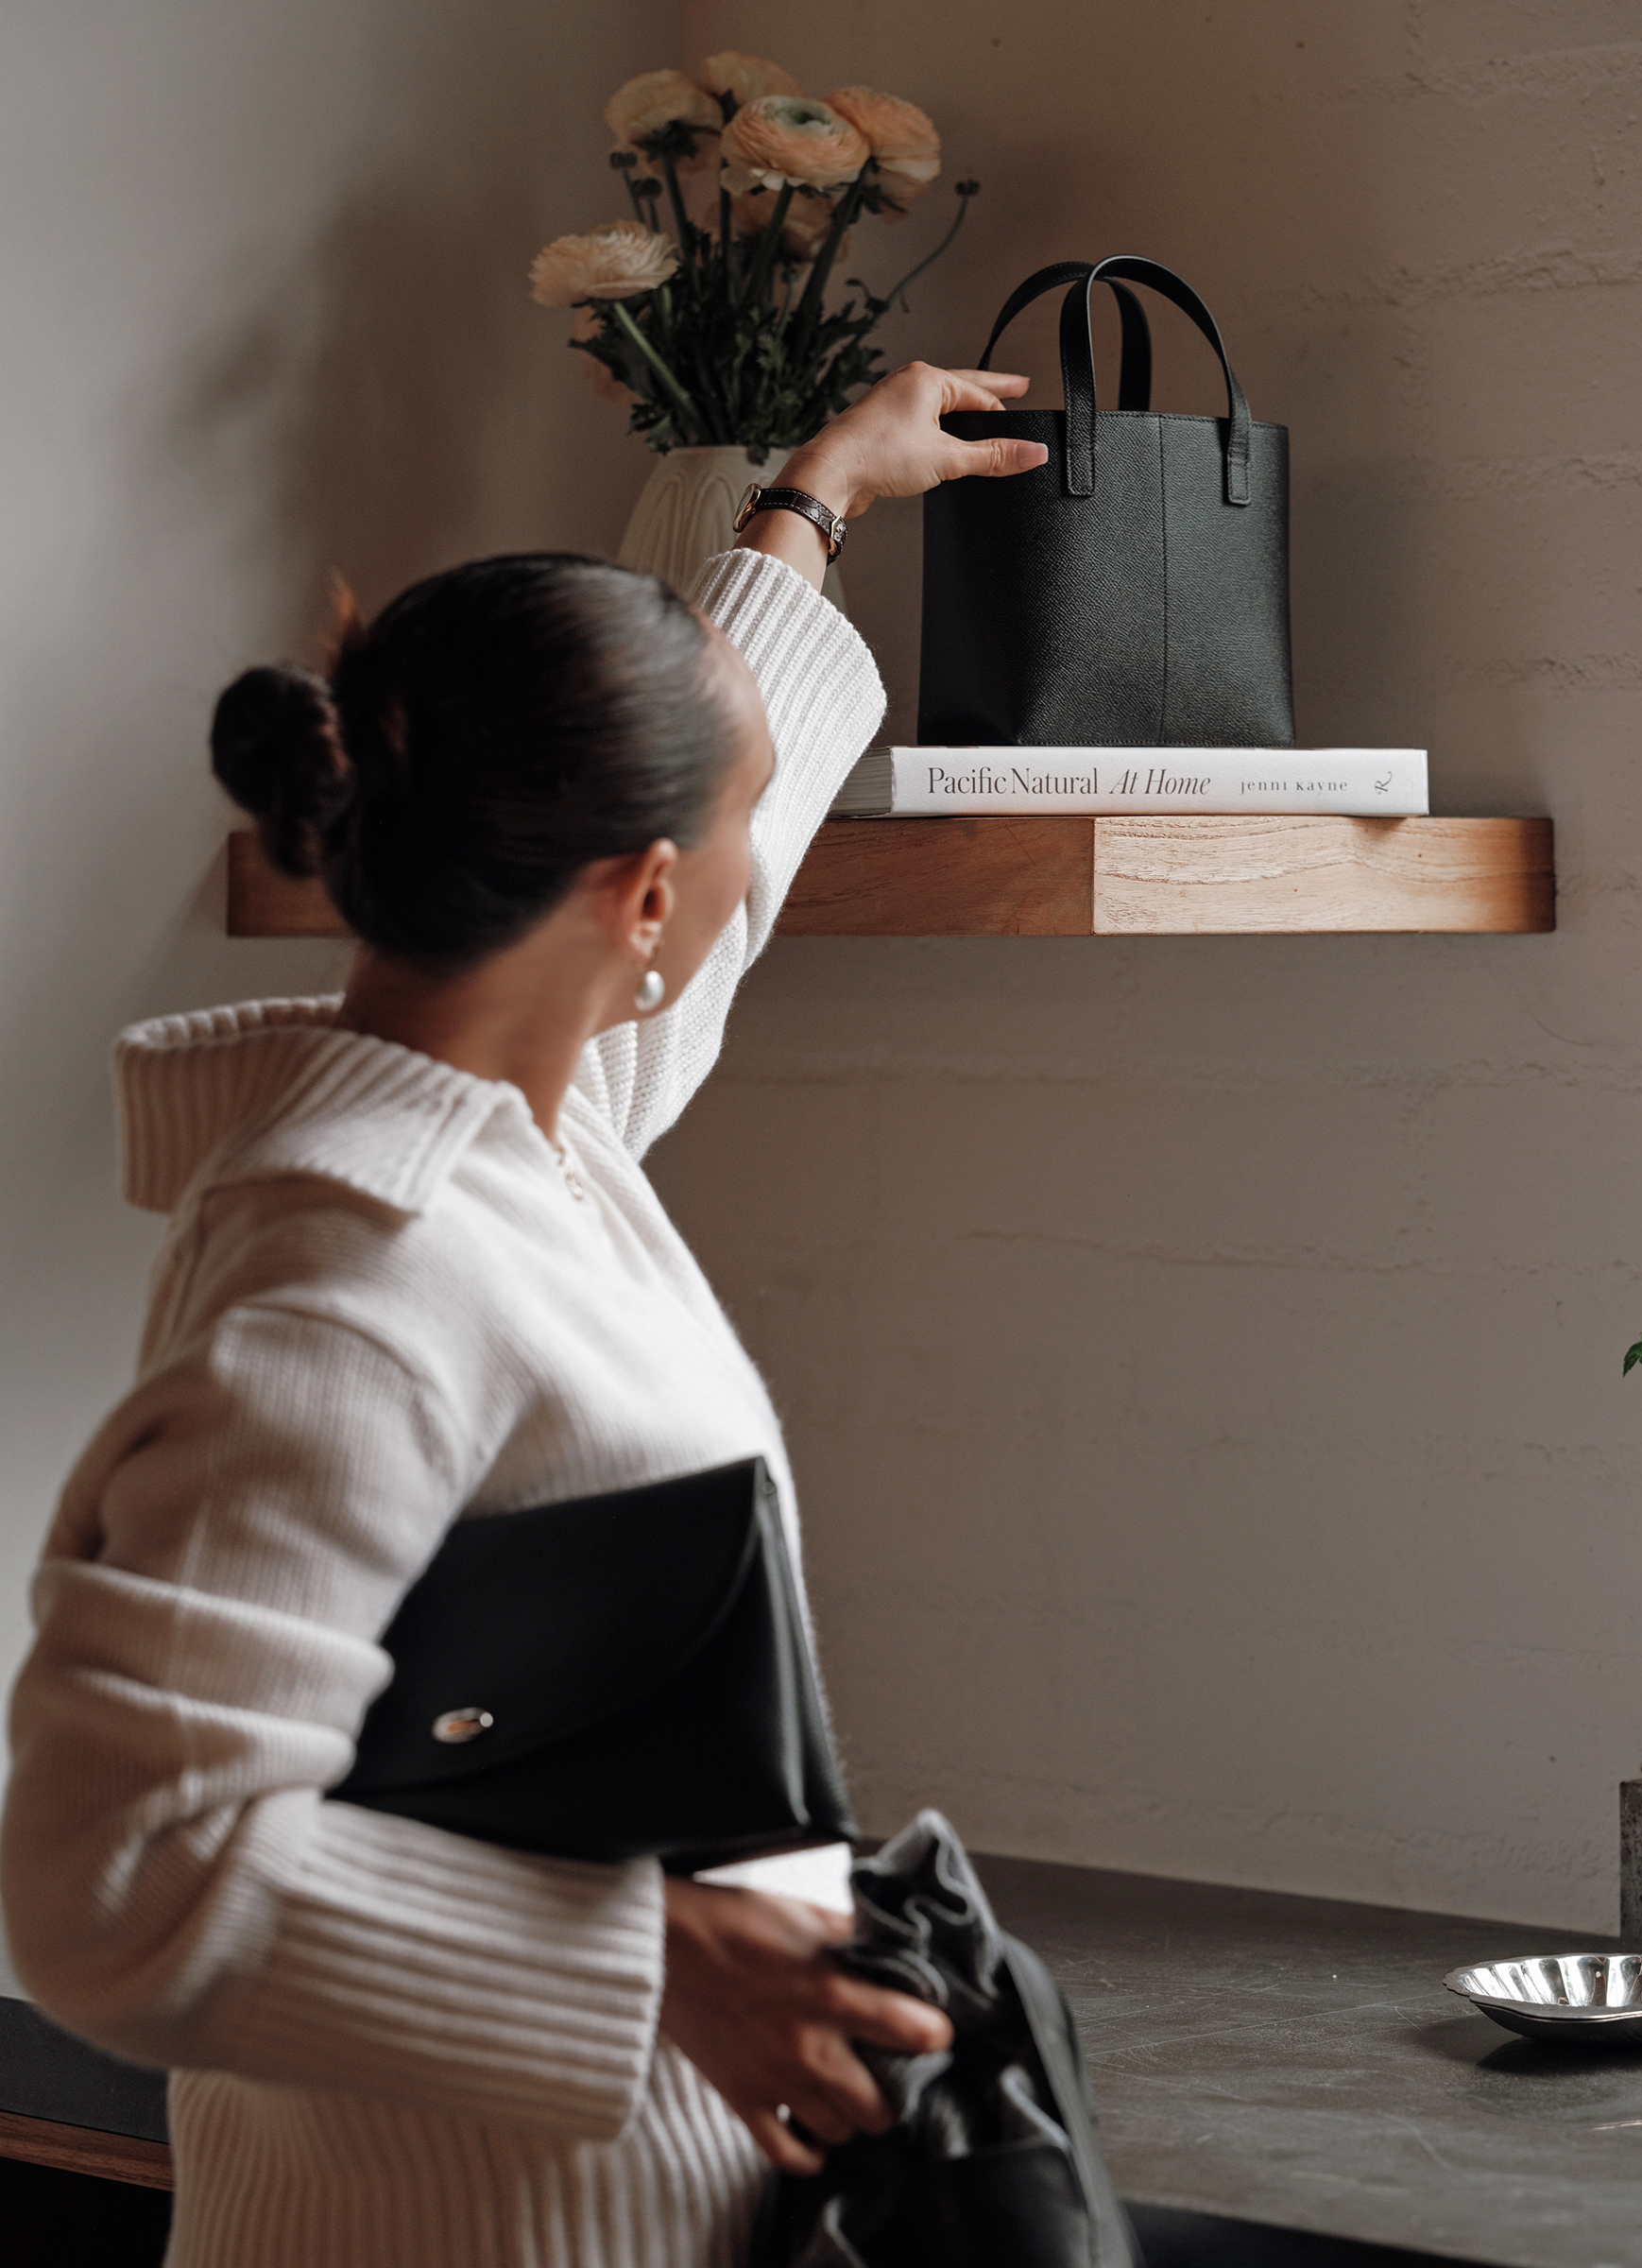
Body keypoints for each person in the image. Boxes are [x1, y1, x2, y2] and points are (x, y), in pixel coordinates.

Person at [0, 364, 1049, 2267]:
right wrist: (654, 1964)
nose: (745, 882)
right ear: (637, 893)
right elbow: (114, 1879)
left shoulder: (531, 1144)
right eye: (721, 840)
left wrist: (816, 496)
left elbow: (703, 866)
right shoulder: (362, 1279)